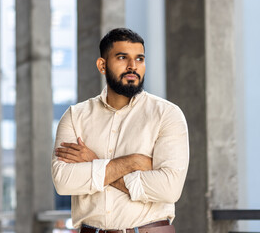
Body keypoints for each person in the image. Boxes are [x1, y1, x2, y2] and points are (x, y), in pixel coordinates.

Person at [51, 28, 189, 233]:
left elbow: (169, 189)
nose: (133, 66)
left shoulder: (167, 115)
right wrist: (132, 162)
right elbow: (63, 182)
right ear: (102, 65)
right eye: (123, 57)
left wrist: (92, 162)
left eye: (140, 59)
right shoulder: (74, 116)